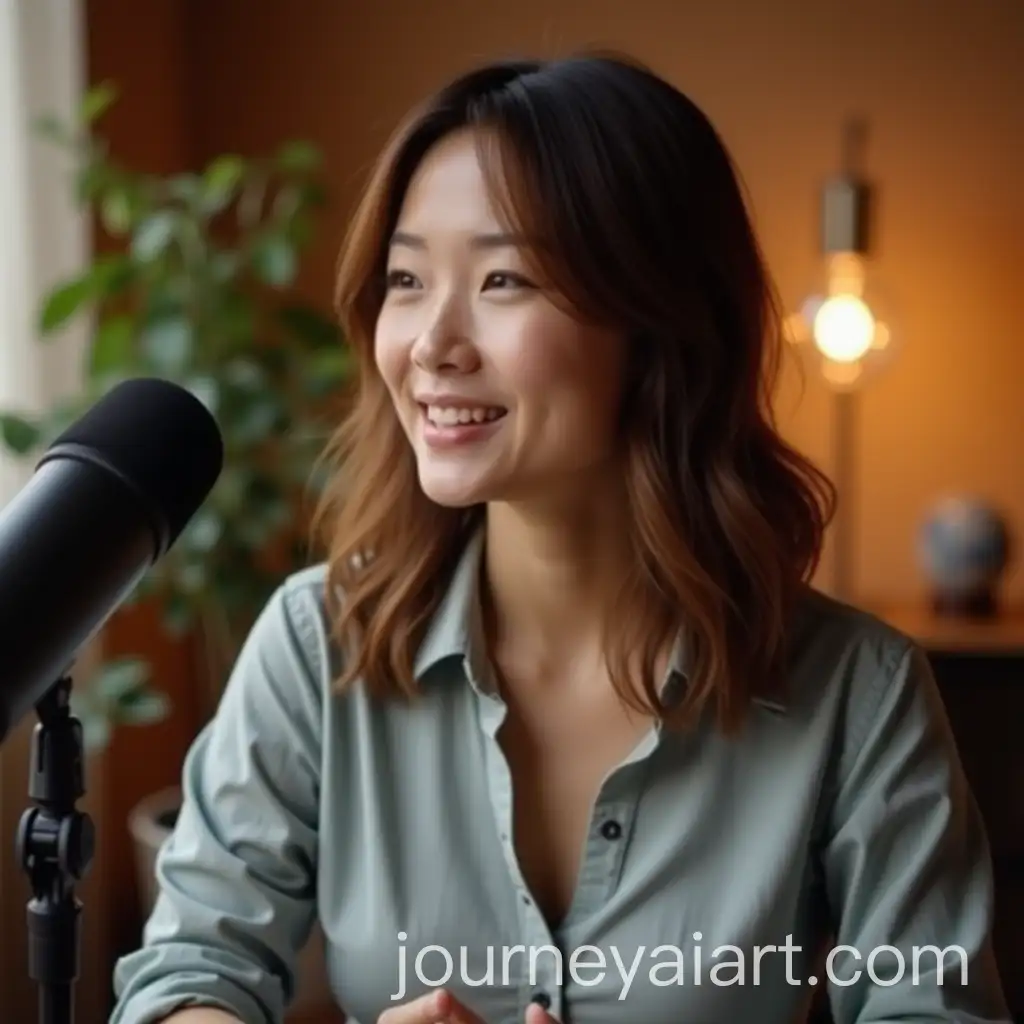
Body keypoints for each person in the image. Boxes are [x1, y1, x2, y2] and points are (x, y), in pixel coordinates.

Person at [109, 52, 1010, 1024]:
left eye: (503, 278)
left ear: (660, 324)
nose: (430, 342)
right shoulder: (315, 642)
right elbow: (188, 974)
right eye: (406, 278)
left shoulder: (854, 690)